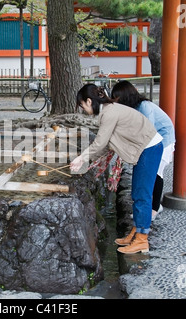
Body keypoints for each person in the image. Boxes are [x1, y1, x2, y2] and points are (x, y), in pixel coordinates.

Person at [70, 83, 163, 254]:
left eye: (82, 105)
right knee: (136, 193)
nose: (83, 109)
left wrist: (82, 157)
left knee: (142, 194)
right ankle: (136, 232)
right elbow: (106, 144)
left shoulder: (109, 113)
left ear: (89, 101)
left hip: (149, 148)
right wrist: (88, 160)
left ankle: (142, 240)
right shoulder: (108, 111)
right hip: (145, 149)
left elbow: (100, 142)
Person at [111, 80, 175, 221]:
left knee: (156, 172)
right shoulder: (132, 108)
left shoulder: (145, 107)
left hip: (163, 139)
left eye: (117, 98)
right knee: (150, 174)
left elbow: (147, 131)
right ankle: (151, 207)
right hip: (152, 142)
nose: (116, 102)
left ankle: (154, 208)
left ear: (125, 96)